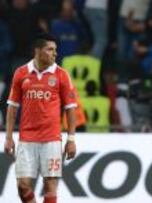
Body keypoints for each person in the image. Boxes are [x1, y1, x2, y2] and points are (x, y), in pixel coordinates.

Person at [3, 33, 77, 203]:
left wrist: (71, 139)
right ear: (38, 51)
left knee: (50, 185)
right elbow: (12, 108)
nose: (55, 53)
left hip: (51, 139)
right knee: (23, 186)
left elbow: (71, 109)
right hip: (27, 138)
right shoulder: (21, 73)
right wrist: (8, 138)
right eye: (50, 49)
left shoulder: (61, 75)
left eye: (55, 50)